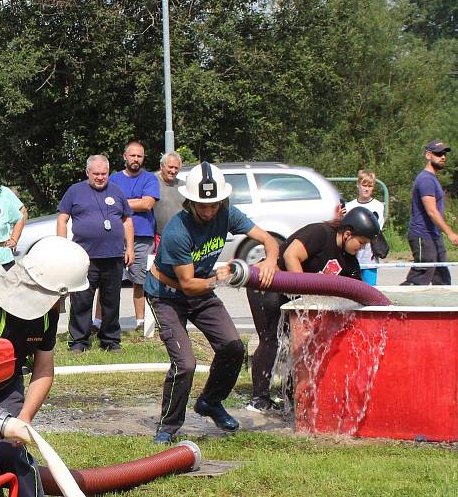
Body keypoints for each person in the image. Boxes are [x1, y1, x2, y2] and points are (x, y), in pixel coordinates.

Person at [0, 236, 89, 497]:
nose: (64, 305)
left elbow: (43, 369)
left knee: (12, 452)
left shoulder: (47, 312)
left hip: (5, 383)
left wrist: (24, 420)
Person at [144, 162, 278, 444]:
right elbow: (188, 284)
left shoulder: (227, 212)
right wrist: (223, 278)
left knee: (233, 346)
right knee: (186, 363)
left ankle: (210, 402)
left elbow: (267, 239)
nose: (208, 211)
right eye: (202, 206)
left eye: (214, 205)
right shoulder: (177, 231)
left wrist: (270, 261)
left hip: (202, 290)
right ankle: (168, 426)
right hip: (168, 295)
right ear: (190, 202)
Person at [245, 207, 380, 412]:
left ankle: (290, 394)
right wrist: (304, 298)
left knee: (302, 341)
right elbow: (291, 255)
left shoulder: (349, 262)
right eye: (361, 243)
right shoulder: (320, 233)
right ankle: (259, 399)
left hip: (291, 294)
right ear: (347, 233)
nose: (361, 249)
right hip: (268, 282)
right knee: (271, 339)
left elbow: (355, 292)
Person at [57, 155, 133, 352]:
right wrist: (62, 247)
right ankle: (79, 341)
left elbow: (127, 220)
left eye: (104, 174)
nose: (100, 177)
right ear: (87, 172)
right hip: (84, 257)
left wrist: (130, 248)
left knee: (111, 301)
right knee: (81, 300)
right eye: (96, 174)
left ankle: (110, 340)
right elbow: (62, 219)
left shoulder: (116, 191)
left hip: (114, 256)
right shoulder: (75, 191)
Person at [109, 141, 159, 331]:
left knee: (140, 281)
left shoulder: (150, 179)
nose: (136, 159)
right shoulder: (113, 179)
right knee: (109, 281)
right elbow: (107, 203)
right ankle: (100, 322)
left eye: (139, 156)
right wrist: (135, 202)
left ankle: (141, 322)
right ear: (125, 157)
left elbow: (147, 204)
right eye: (133, 155)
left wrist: (120, 203)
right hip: (114, 236)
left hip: (142, 236)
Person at [402, 140, 458, 285]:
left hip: (433, 236)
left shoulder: (432, 178)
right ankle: (396, 304)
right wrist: (450, 233)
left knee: (442, 279)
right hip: (423, 235)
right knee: (420, 277)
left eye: (444, 153)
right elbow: (431, 211)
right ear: (428, 155)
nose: (443, 157)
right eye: (438, 153)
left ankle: (446, 307)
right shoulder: (425, 179)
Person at [346, 170, 385, 285]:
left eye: (370, 186)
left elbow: (377, 231)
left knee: (370, 289)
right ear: (358, 185)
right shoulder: (349, 206)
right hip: (352, 257)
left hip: (369, 258)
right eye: (364, 185)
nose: (366, 189)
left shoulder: (378, 206)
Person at [153, 151, 185, 248]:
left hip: (180, 238)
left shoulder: (183, 186)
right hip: (158, 238)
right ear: (161, 166)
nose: (173, 171)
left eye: (176, 168)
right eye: (170, 167)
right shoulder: (152, 183)